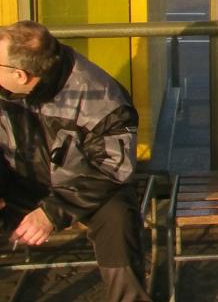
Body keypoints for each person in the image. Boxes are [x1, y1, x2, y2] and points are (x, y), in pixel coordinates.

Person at [0, 20, 150, 302]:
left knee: (118, 217)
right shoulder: (7, 80)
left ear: (20, 75)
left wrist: (51, 213)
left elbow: (113, 170)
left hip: (82, 187)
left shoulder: (101, 96)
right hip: (18, 179)